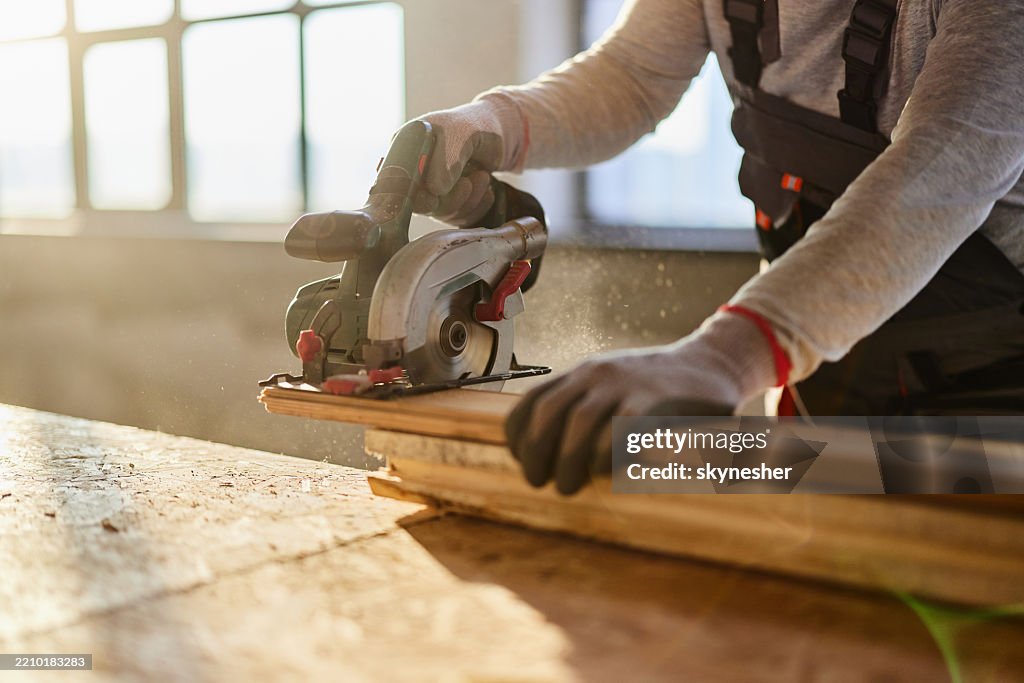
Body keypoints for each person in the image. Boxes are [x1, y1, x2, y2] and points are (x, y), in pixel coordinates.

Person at [406, 0, 1024, 494]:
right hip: (825, 385)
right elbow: (632, 76)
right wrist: (489, 126)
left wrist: (722, 361)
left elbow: (937, 177)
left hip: (995, 417)